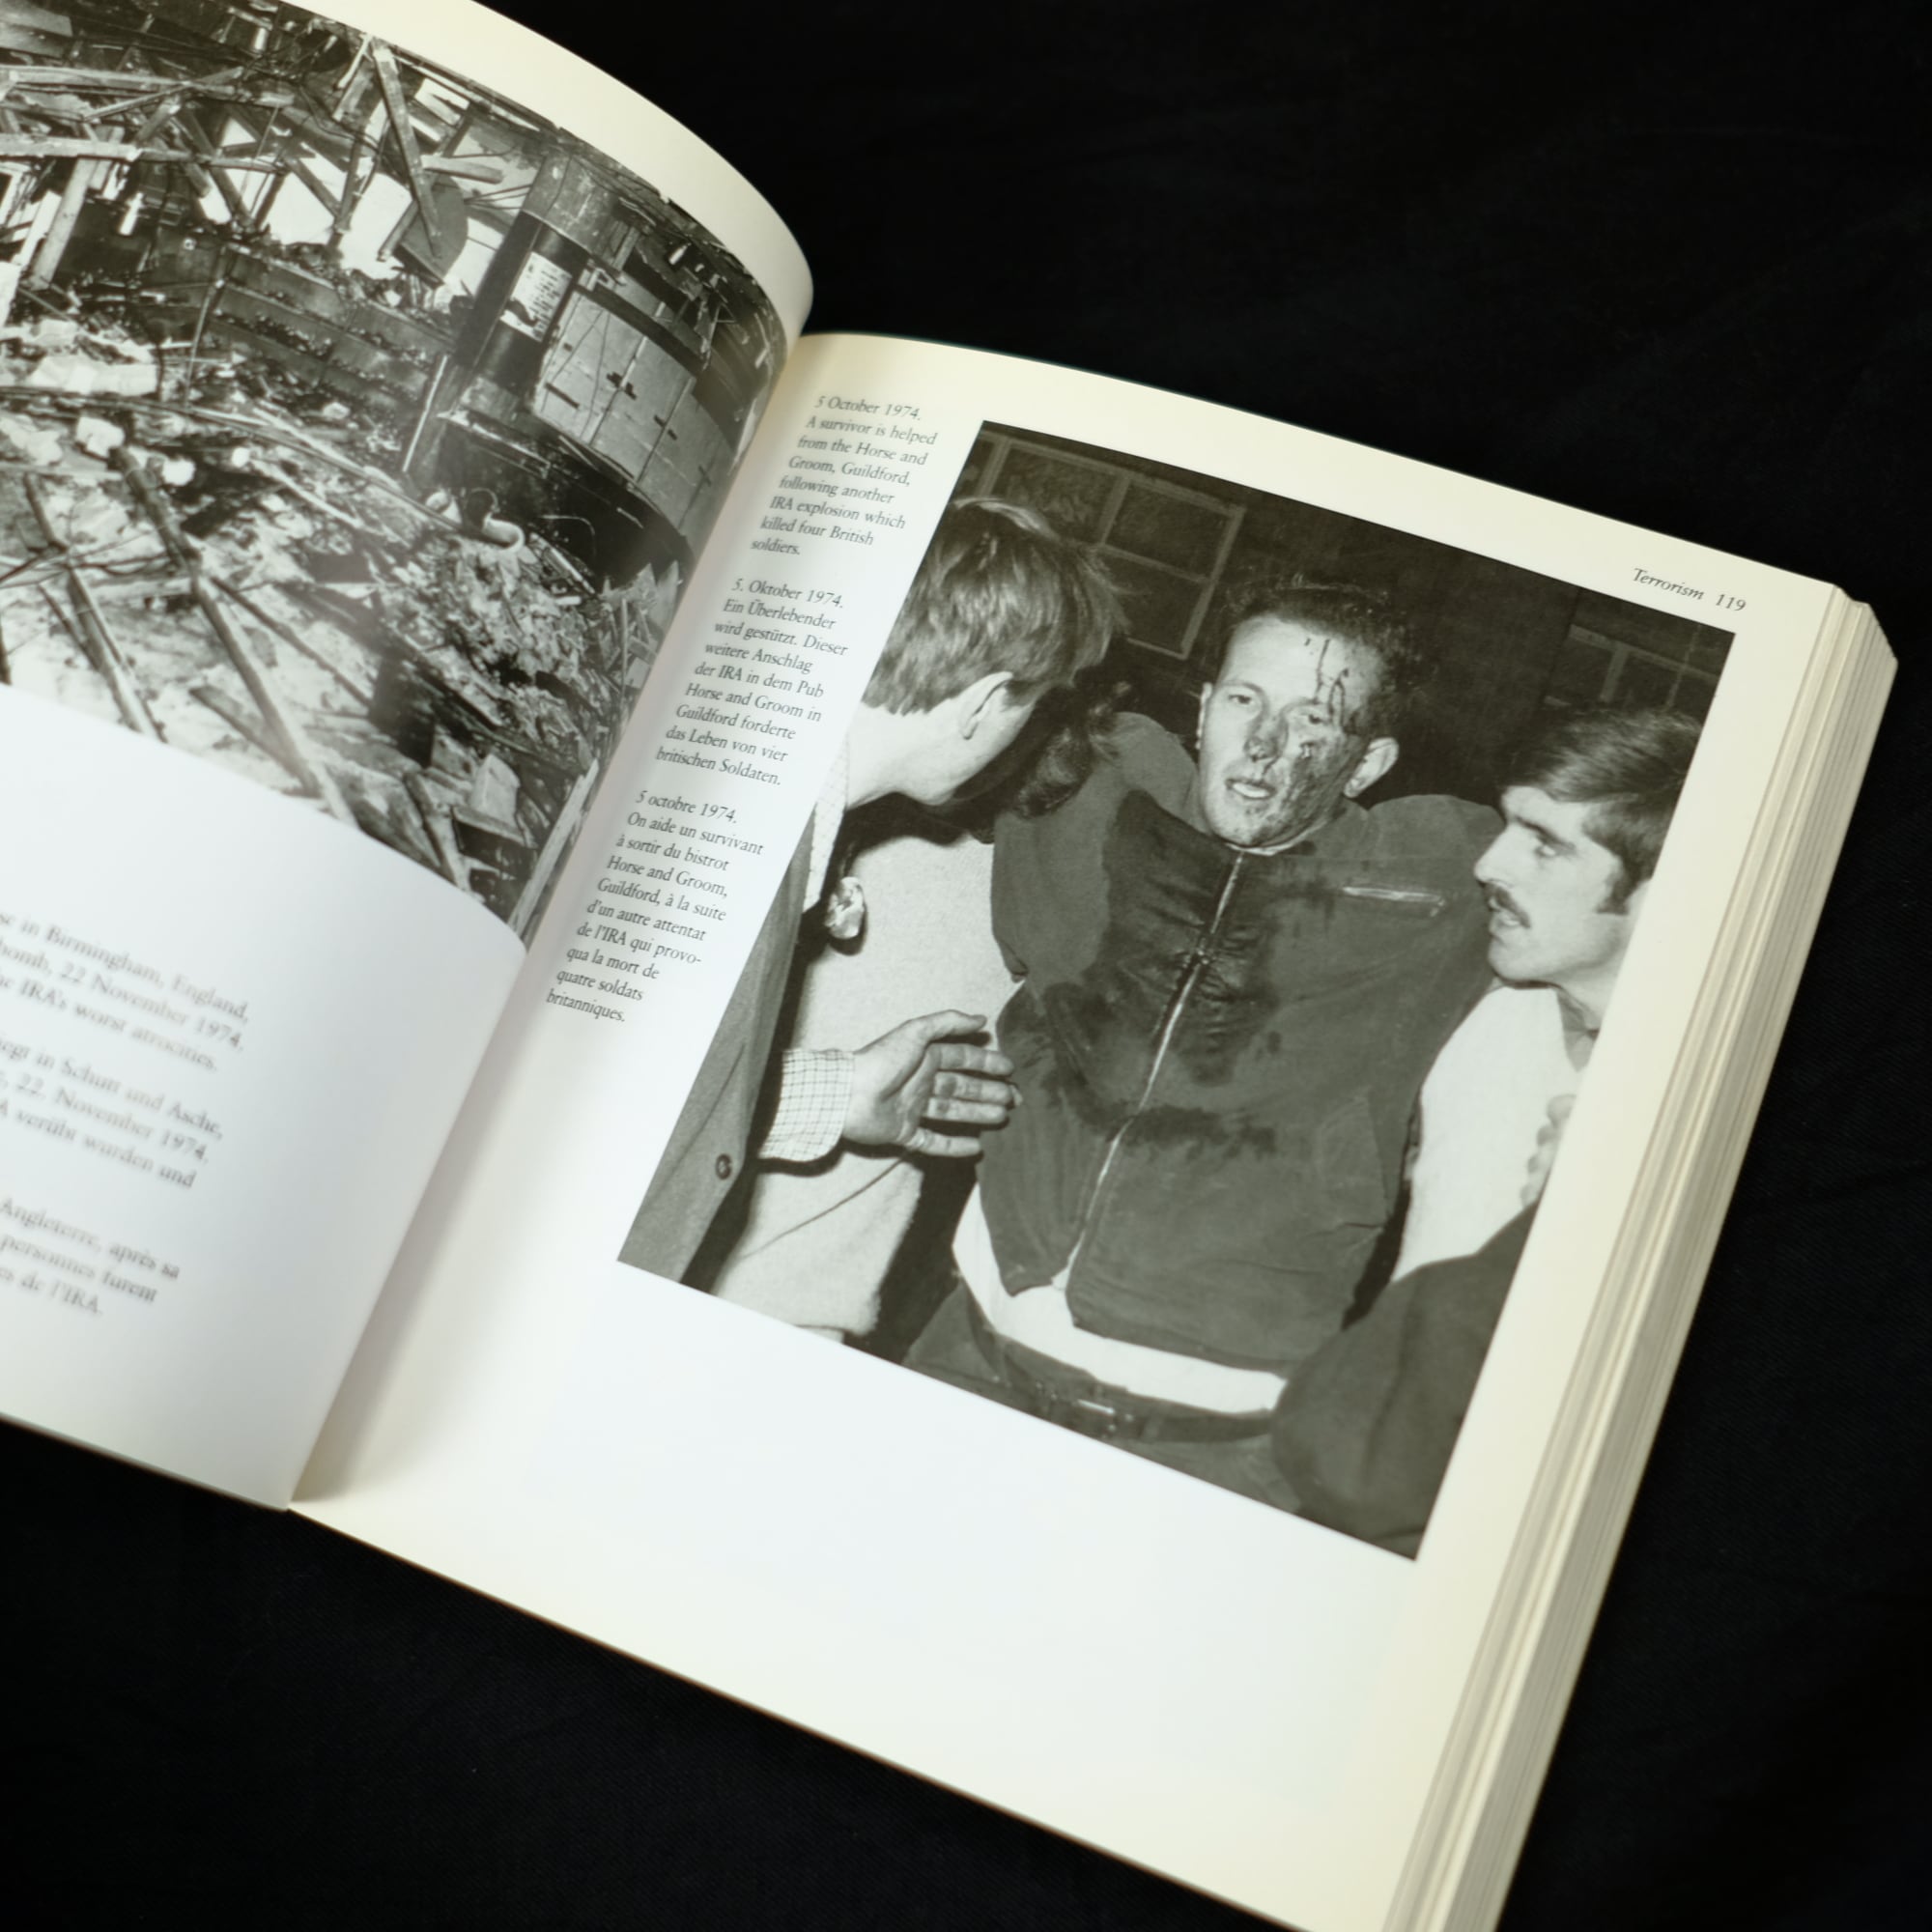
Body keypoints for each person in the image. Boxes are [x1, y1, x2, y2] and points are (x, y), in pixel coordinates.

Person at [905, 573, 1498, 1509]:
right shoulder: (1082, 791)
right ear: (1203, 705)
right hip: (963, 1354)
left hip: (1208, 1446)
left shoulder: (1449, 885)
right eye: (1243, 700)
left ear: (1366, 762)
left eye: (1314, 719)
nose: (1263, 744)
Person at [618, 498, 1120, 1286]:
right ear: (986, 702)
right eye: (1030, 708)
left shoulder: (766, 794)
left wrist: (842, 1093)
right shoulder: (752, 838)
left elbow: (638, 1081)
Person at [1272, 704, 1703, 1552]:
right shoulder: (1492, 1009)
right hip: (1370, 1484)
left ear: (1665, 892)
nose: (1489, 864)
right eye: (1508, 825)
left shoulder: (1704, 1117)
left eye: (1546, 844)